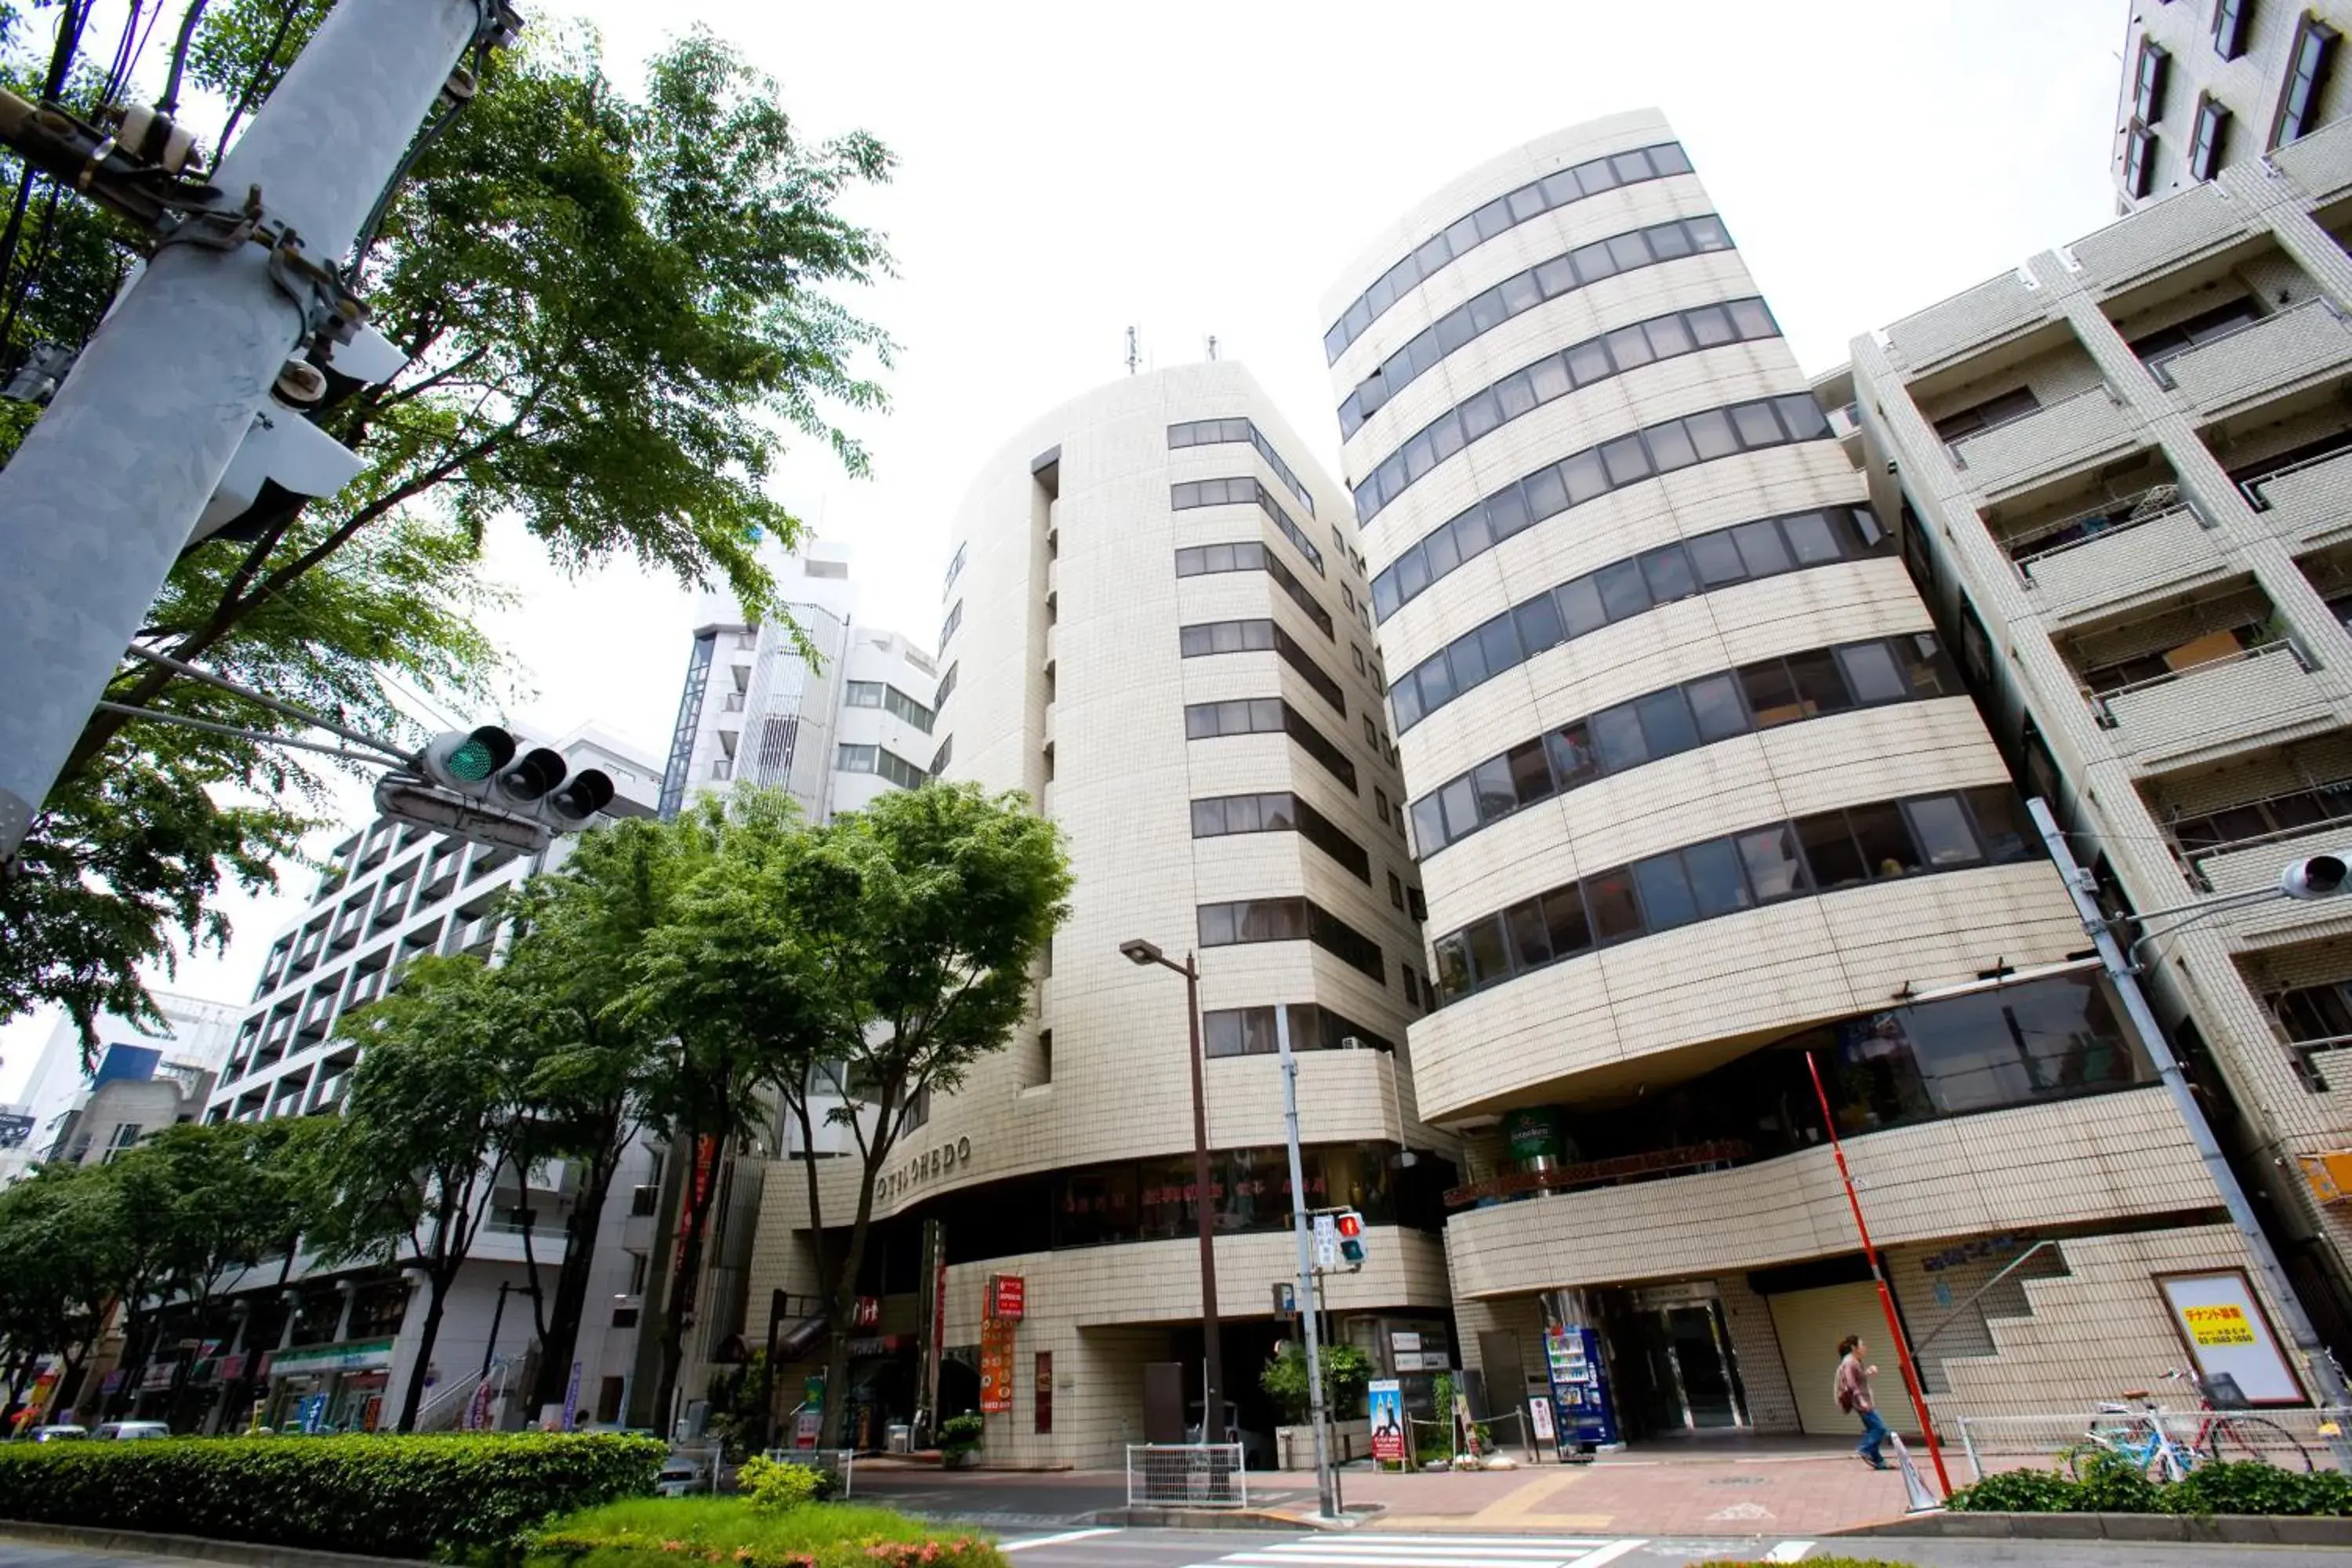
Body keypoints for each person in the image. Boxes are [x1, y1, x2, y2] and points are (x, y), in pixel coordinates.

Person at [1835, 1334, 1888, 1471]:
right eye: (1862, 1345)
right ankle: (1864, 1448)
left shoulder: (1854, 1361)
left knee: (1873, 1429)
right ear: (1854, 1347)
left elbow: (1857, 1378)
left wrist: (1868, 1372)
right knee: (1880, 1428)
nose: (1865, 1347)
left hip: (1863, 1400)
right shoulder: (1849, 1362)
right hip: (1862, 1402)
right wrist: (1862, 1401)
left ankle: (1879, 1461)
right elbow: (1852, 1384)